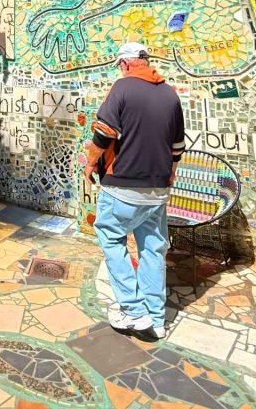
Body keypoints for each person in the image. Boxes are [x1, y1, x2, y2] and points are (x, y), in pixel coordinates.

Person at [83, 42, 186, 341]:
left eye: (119, 66)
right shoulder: (170, 94)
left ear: (126, 64)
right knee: (153, 248)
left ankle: (132, 308)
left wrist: (90, 163)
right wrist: (170, 174)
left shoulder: (123, 88)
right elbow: (177, 146)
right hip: (158, 189)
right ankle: (156, 318)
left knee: (111, 239)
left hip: (123, 186)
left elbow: (104, 132)